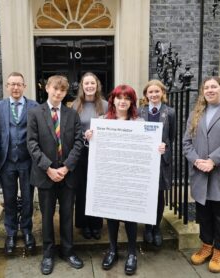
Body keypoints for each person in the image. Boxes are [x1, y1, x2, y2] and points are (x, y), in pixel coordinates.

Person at [85, 84, 166, 276]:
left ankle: (131, 253)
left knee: (131, 215)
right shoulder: (102, 120)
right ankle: (112, 249)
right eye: (119, 98)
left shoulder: (140, 122)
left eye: (127, 98)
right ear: (113, 100)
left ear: (131, 102)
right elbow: (94, 149)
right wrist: (89, 137)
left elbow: (150, 148)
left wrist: (160, 147)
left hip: (131, 177)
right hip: (111, 176)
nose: (122, 101)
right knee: (111, 215)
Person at [27, 75, 84, 275]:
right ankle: (48, 254)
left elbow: (78, 143)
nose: (58, 92)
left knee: (68, 215)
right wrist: (48, 168)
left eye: (62, 90)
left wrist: (67, 167)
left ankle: (68, 251)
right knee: (47, 216)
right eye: (54, 88)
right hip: (45, 175)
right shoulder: (35, 113)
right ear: (47, 88)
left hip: (67, 175)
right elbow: (32, 144)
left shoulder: (72, 114)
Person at [183, 76, 220, 273]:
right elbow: (186, 143)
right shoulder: (196, 113)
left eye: (214, 87)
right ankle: (206, 245)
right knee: (204, 213)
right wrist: (197, 161)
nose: (210, 90)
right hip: (200, 172)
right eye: (206, 87)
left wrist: (213, 160)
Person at [0, 72, 38, 255]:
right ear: (7, 86)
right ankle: (11, 232)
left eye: (19, 84)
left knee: (28, 198)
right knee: (9, 198)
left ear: (24, 86)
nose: (15, 88)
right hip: (7, 161)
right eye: (12, 84)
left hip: (27, 161)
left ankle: (27, 231)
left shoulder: (34, 106)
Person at [138, 79, 176, 247]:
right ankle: (147, 228)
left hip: (161, 159)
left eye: (157, 91)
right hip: (144, 160)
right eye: (150, 92)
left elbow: (172, 136)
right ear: (146, 95)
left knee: (159, 195)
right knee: (146, 194)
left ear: (163, 93)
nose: (153, 95)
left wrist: (165, 146)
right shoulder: (140, 112)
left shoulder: (170, 112)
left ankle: (156, 228)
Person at [72, 72, 108, 240]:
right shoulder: (75, 105)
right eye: (86, 83)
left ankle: (96, 224)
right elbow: (70, 129)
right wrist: (82, 134)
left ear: (97, 85)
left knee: (98, 188)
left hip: (100, 153)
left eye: (92, 83)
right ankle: (84, 223)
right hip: (81, 152)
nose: (89, 86)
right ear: (82, 86)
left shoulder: (106, 105)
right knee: (82, 188)